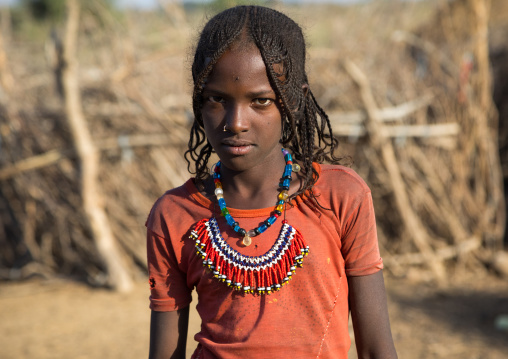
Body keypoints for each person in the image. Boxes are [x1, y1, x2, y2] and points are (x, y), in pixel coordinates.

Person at [146, 5, 397, 359]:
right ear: (198, 102)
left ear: (293, 101)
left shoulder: (340, 197)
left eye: (260, 101)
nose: (235, 122)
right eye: (217, 99)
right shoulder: (174, 215)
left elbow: (376, 350)